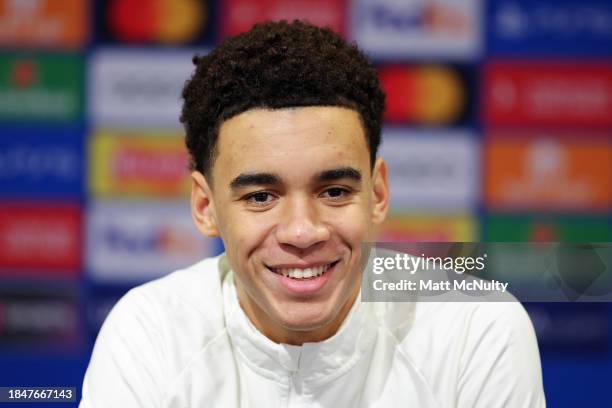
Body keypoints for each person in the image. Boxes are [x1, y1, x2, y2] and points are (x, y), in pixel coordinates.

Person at [80, 20, 545, 407]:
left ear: (378, 193)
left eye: (335, 190)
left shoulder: (475, 330)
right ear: (205, 207)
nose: (303, 232)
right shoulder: (150, 333)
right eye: (261, 196)